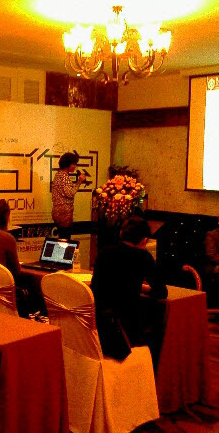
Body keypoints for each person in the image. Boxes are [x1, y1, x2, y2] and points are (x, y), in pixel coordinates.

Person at [91, 217, 167, 355]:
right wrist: (145, 288)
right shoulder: (143, 257)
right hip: (126, 323)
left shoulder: (104, 252)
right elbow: (161, 291)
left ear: (121, 233)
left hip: (98, 322)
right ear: (144, 240)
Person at [51, 152, 86, 240]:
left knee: (62, 238)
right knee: (65, 239)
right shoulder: (64, 176)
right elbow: (70, 193)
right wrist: (79, 182)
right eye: (73, 164)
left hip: (59, 212)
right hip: (64, 214)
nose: (75, 167)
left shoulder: (59, 174)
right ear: (67, 164)